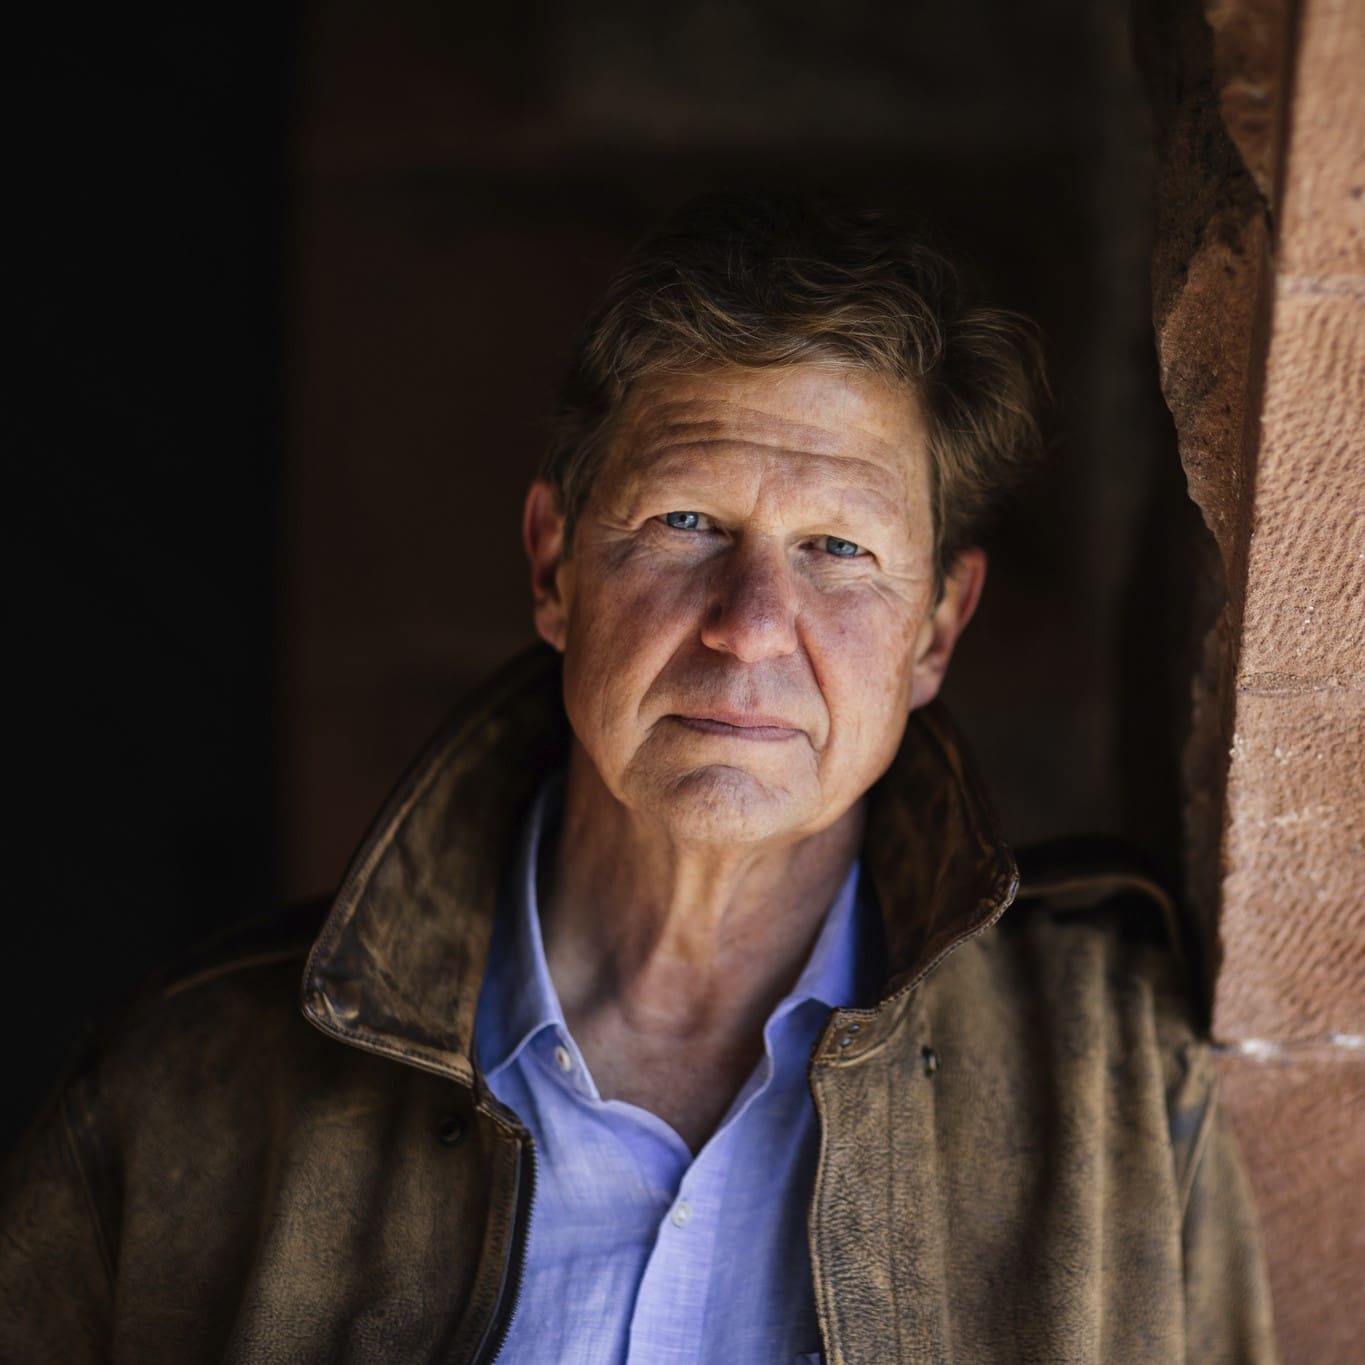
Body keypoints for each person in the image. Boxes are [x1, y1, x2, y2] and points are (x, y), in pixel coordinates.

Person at [0, 193, 1276, 1363]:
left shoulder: (1117, 1092)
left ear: (938, 629)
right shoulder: (184, 1096)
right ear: (554, 565)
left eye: (838, 548)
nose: (751, 625)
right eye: (686, 523)